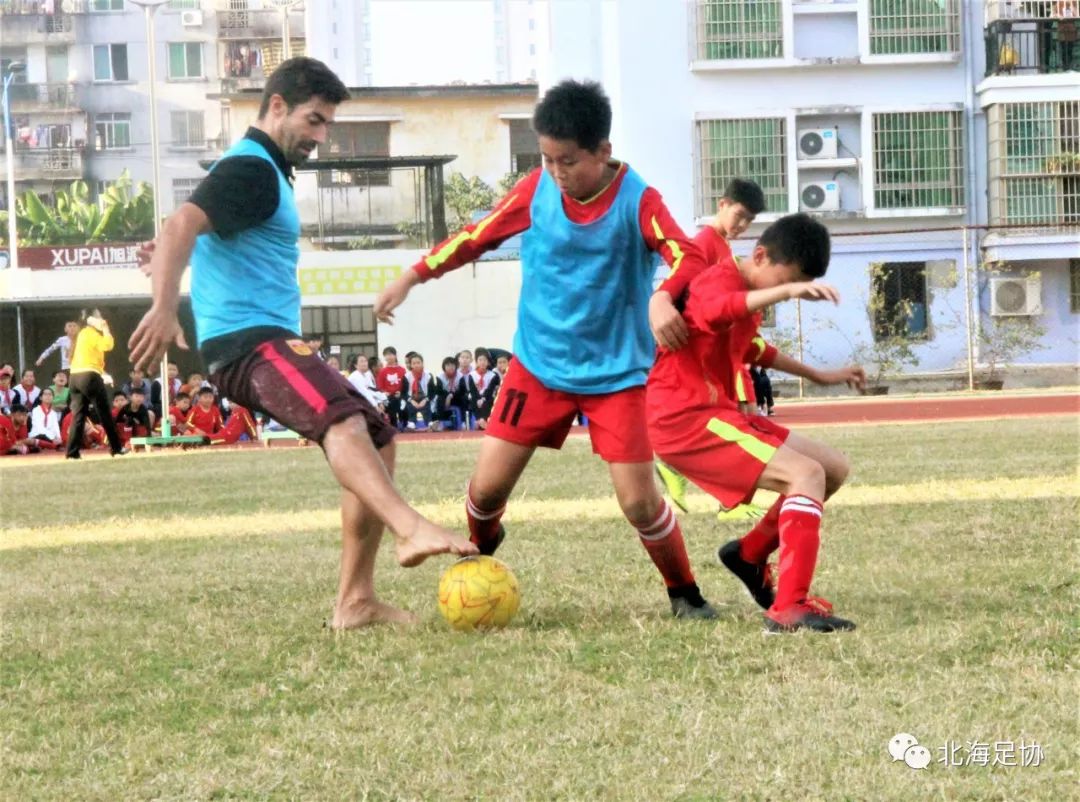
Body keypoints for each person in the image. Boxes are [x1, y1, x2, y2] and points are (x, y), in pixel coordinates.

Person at [128, 57, 475, 628]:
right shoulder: (253, 168)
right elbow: (179, 225)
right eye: (314, 121)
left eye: (327, 125)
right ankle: (409, 527)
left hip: (266, 339)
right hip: (250, 343)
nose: (321, 136)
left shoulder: (264, 170)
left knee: (378, 436)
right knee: (343, 421)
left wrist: (166, 257)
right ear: (277, 106)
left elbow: (196, 234)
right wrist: (164, 307)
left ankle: (355, 600)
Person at [375, 79, 718, 619]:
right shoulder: (535, 190)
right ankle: (480, 556)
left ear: (603, 151)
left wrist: (663, 297)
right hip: (537, 368)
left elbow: (689, 255)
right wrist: (413, 275)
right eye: (548, 159)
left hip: (617, 377)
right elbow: (477, 236)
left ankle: (685, 594)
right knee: (486, 492)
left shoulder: (639, 200)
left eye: (569, 161)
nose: (558, 172)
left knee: (638, 501)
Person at [646, 213, 865, 633]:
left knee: (832, 468)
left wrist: (821, 375)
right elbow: (716, 310)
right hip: (684, 418)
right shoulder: (717, 280)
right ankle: (789, 607)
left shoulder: (750, 294)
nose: (786, 294)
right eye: (787, 282)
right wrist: (785, 290)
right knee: (805, 474)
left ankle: (748, 555)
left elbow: (753, 348)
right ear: (760, 256)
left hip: (718, 413)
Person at [655, 178, 768, 522]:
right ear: (722, 204)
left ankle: (689, 474)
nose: (743, 224)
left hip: (724, 352)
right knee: (742, 421)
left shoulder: (723, 248)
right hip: (706, 354)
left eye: (750, 220)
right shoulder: (704, 244)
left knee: (746, 419)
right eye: (740, 215)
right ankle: (728, 502)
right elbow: (686, 294)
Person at [66, 311, 126, 459]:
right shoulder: (90, 333)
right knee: (105, 413)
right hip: (89, 376)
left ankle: (72, 452)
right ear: (92, 320)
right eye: (99, 316)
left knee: (78, 416)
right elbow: (108, 345)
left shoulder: (81, 334)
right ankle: (116, 448)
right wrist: (105, 328)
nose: (102, 319)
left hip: (74, 377)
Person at [466, 350, 500, 430]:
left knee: (489, 401)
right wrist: (478, 399)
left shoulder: (492, 375)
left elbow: (490, 389)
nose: (482, 362)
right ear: (476, 362)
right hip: (476, 396)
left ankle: (481, 420)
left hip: (487, 396)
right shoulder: (472, 375)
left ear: (488, 362)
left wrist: (483, 398)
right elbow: (473, 390)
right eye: (480, 360)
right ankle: (479, 419)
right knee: (472, 400)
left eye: (485, 360)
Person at [403, 352, 437, 430]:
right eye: (414, 363)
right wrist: (411, 400)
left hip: (425, 398)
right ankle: (411, 424)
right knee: (409, 407)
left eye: (418, 363)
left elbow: (432, 392)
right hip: (412, 399)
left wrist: (425, 400)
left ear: (422, 363)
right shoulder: (406, 376)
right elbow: (403, 393)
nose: (416, 365)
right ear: (411, 365)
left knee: (427, 407)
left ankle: (430, 424)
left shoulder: (428, 375)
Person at [434, 355, 469, 429]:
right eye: (448, 365)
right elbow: (438, 390)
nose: (450, 367)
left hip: (456, 397)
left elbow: (463, 390)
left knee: (464, 398)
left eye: (452, 365)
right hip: (445, 398)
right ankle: (441, 421)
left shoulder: (460, 375)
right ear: (444, 367)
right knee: (439, 399)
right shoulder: (440, 376)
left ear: (456, 366)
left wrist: (451, 395)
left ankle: (463, 422)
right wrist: (447, 396)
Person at [376, 346, 407, 429]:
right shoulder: (382, 371)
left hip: (400, 395)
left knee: (402, 402)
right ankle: (394, 424)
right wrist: (384, 392)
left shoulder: (402, 370)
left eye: (390, 354)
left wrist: (401, 392)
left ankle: (404, 423)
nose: (388, 357)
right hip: (388, 396)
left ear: (395, 355)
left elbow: (405, 385)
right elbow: (380, 386)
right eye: (386, 355)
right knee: (391, 403)